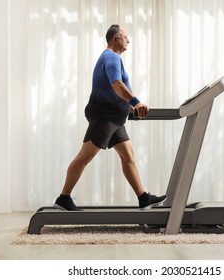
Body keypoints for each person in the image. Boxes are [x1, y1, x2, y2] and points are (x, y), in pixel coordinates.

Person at [53, 24, 167, 211]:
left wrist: (127, 108)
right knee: (85, 156)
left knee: (128, 155)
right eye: (125, 36)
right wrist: (136, 103)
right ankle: (63, 198)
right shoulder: (111, 57)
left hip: (115, 118)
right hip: (105, 117)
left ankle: (143, 198)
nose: (128, 40)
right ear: (116, 38)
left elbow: (111, 90)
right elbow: (116, 84)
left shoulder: (111, 58)